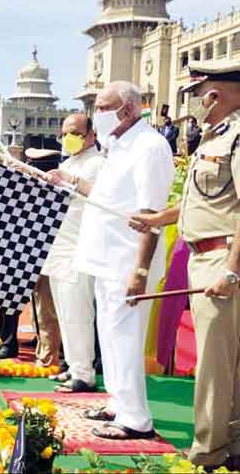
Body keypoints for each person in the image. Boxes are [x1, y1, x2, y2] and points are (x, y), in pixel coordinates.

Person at [132, 59, 240, 469]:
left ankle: (208, 454)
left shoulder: (237, 138)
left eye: (198, 94)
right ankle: (230, 447)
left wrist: (232, 269)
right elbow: (202, 200)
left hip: (223, 258)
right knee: (225, 360)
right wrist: (158, 219)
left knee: (215, 364)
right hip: (207, 257)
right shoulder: (215, 137)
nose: (195, 103)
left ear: (215, 93)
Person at [63, 81, 174, 440]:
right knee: (109, 336)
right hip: (106, 258)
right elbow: (108, 196)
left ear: (127, 110)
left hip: (127, 261)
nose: (98, 115)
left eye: (103, 108)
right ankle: (118, 403)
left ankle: (136, 418)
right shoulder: (119, 146)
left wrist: (140, 271)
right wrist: (68, 181)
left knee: (124, 337)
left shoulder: (149, 147)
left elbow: (151, 212)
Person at [43, 113, 105, 392]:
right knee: (65, 311)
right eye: (65, 133)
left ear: (91, 135)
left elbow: (104, 196)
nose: (69, 138)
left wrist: (71, 179)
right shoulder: (67, 162)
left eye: (76, 133)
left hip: (80, 248)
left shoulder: (99, 163)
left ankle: (84, 373)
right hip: (60, 246)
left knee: (78, 312)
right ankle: (72, 365)